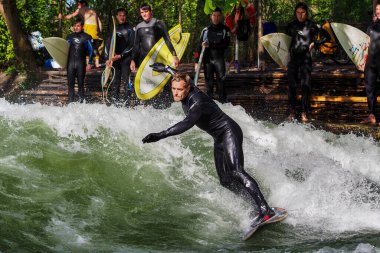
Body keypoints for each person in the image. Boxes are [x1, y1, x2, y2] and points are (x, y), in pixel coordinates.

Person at [142, 72, 275, 226]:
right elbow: (178, 75)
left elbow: (187, 123)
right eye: (173, 88)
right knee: (225, 180)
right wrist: (166, 68)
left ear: (188, 88)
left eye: (179, 89)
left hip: (229, 132)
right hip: (218, 137)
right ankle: (255, 205)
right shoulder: (186, 88)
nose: (176, 93)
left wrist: (161, 134)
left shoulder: (197, 103)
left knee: (237, 171)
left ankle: (265, 209)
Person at [130, 3, 179, 109]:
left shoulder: (159, 24)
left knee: (164, 82)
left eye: (146, 11)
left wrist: (174, 55)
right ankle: (150, 107)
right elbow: (136, 45)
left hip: (159, 58)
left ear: (150, 12)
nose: (144, 14)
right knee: (148, 83)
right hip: (144, 60)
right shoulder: (139, 27)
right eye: (142, 12)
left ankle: (168, 106)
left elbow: (167, 40)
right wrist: (133, 60)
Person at [286, 2, 320, 122]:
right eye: (298, 13)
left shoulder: (312, 25)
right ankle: (292, 111)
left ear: (306, 12)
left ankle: (304, 111)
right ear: (295, 13)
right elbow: (285, 42)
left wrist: (314, 43)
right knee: (292, 86)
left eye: (303, 12)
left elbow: (325, 37)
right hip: (293, 59)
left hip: (306, 59)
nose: (300, 15)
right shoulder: (290, 26)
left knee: (305, 85)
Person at [194, 7, 231, 103]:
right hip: (207, 61)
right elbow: (199, 47)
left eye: (218, 16)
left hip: (219, 60)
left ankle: (223, 103)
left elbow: (225, 45)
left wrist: (211, 45)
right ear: (211, 16)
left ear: (221, 17)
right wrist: (196, 62)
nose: (216, 18)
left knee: (221, 82)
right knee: (209, 83)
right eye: (214, 15)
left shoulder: (225, 30)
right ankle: (210, 104)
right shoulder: (206, 30)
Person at [105, 8, 135, 105]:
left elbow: (132, 45)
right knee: (115, 82)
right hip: (115, 59)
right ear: (117, 16)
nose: (122, 17)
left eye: (123, 15)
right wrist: (107, 58)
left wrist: (121, 55)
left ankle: (127, 104)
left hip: (126, 59)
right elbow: (108, 44)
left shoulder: (130, 28)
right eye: (120, 15)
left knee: (126, 81)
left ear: (126, 16)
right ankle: (115, 103)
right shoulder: (114, 29)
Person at [59, 0, 102, 68]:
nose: (77, 5)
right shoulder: (93, 11)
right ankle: (97, 64)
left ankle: (88, 64)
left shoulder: (80, 9)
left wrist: (62, 17)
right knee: (94, 47)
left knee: (86, 46)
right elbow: (99, 22)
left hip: (88, 28)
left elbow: (71, 16)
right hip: (94, 29)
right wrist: (99, 33)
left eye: (78, 4)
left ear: (83, 4)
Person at [66, 17, 94, 103]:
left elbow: (91, 51)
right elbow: (64, 50)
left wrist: (89, 63)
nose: (76, 27)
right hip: (70, 64)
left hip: (80, 64)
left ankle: (81, 103)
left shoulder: (87, 37)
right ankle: (70, 103)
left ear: (82, 26)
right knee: (70, 84)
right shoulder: (69, 37)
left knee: (80, 84)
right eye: (74, 26)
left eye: (78, 26)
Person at [361, 2, 380, 125]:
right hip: (370, 63)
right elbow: (365, 45)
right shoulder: (371, 27)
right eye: (377, 9)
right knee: (369, 89)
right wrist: (362, 61)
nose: (378, 11)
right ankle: (371, 115)